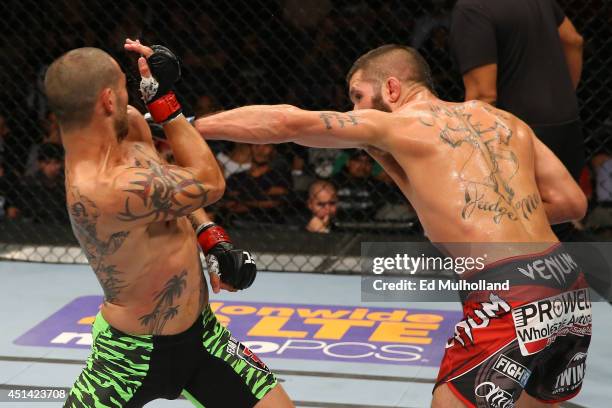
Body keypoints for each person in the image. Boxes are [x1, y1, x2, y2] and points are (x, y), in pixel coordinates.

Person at [195, 44, 591, 408]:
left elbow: (287, 123)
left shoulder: (403, 124)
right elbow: (572, 203)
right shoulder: (506, 122)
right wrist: (492, 215)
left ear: (391, 87)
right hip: (565, 278)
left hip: (506, 289)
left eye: (357, 97)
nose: (353, 111)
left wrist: (187, 126)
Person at [44, 41, 292, 407]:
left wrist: (211, 238)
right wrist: (165, 102)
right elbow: (208, 183)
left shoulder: (126, 126)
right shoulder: (101, 187)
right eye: (124, 88)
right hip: (127, 358)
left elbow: (172, 185)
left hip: (204, 336)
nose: (133, 97)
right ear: (107, 101)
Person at [449, 0, 585, 242]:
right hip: (565, 123)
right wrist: (563, 94)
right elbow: (573, 40)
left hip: (515, 134)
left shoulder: (472, 8)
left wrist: (471, 155)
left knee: (501, 223)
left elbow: (483, 95)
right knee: (557, 226)